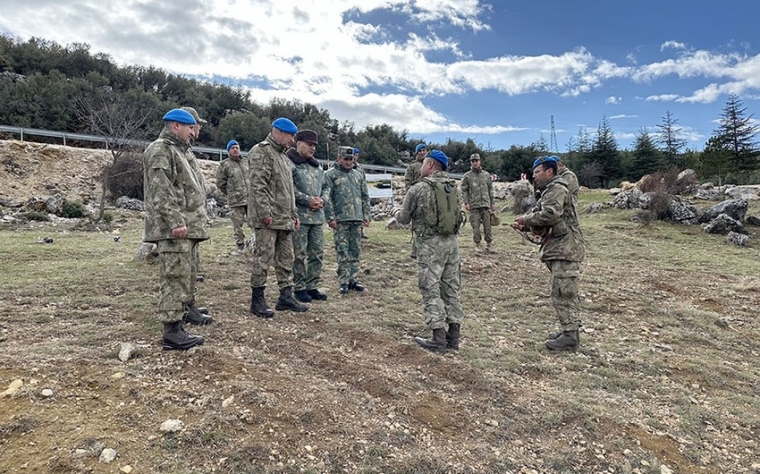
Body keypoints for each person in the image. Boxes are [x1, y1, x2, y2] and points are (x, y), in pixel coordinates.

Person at [142, 108, 209, 350]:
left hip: (186, 226)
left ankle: (180, 317)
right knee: (173, 276)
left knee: (184, 274)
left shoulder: (178, 151)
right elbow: (161, 190)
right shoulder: (161, 149)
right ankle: (171, 331)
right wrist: (175, 221)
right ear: (176, 126)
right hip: (174, 228)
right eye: (191, 127)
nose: (194, 132)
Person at [392, 150, 464, 353]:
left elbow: (405, 218)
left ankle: (438, 338)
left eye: (424, 163)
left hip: (430, 246)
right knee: (451, 290)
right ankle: (454, 337)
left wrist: (395, 212)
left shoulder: (419, 188)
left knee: (430, 289)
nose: (421, 166)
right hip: (452, 244)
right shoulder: (453, 188)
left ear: (430, 165)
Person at [512, 156, 585, 351]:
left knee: (563, 293)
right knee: (562, 291)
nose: (533, 176)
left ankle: (570, 337)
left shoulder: (557, 189)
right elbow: (546, 219)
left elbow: (550, 215)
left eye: (537, 172)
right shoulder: (549, 191)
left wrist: (526, 219)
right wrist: (525, 225)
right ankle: (569, 331)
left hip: (566, 249)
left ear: (549, 172)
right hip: (559, 248)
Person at [248, 117, 308, 317]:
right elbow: (259, 185)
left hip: (285, 218)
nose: (292, 140)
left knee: (286, 258)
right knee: (263, 258)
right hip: (269, 219)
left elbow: (288, 191)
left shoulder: (283, 157)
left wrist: (294, 214)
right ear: (279, 132)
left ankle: (286, 296)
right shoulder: (261, 151)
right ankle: (257, 300)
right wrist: (265, 213)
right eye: (290, 135)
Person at [288, 130, 329, 303]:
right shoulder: (290, 164)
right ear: (298, 143)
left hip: (317, 218)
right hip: (300, 217)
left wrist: (323, 200)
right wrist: (307, 200)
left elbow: (326, 187)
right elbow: (288, 188)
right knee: (299, 253)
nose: (312, 148)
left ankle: (311, 285)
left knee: (317, 253)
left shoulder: (317, 166)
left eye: (314, 145)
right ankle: (299, 287)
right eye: (309, 144)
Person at [325, 146, 371, 294]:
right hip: (341, 219)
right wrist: (330, 217)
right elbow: (327, 198)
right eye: (345, 159)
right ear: (339, 158)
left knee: (355, 250)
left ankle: (353, 279)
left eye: (351, 159)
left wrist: (366, 215)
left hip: (357, 219)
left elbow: (365, 196)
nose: (348, 162)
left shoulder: (358, 175)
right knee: (343, 251)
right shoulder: (330, 175)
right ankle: (343, 281)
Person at [180, 106, 209, 284]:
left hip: (192, 219)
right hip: (183, 220)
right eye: (196, 125)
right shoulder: (173, 150)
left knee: (192, 261)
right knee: (181, 269)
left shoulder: (187, 150)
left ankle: (189, 305)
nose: (197, 130)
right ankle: (183, 308)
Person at [216, 139, 250, 251]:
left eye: (237, 148)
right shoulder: (225, 165)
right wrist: (231, 193)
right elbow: (221, 183)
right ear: (228, 150)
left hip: (250, 200)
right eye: (233, 148)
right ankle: (240, 245)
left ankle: (255, 243)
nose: (235, 150)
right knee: (237, 225)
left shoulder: (246, 162)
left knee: (255, 222)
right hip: (236, 201)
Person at [460, 153, 496, 253]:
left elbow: (490, 190)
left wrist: (492, 203)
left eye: (476, 160)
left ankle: (489, 244)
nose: (475, 163)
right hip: (474, 205)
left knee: (487, 226)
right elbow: (464, 190)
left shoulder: (486, 175)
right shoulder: (467, 176)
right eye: (473, 161)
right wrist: (466, 202)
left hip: (485, 205)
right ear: (471, 162)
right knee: (475, 227)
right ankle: (478, 244)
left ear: (480, 161)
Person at [404, 143, 427, 259]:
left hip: (428, 199)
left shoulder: (430, 164)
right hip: (417, 199)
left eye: (424, 150)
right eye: (420, 151)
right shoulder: (412, 166)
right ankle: (415, 252)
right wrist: (411, 196)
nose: (423, 152)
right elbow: (407, 182)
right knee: (417, 227)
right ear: (417, 152)